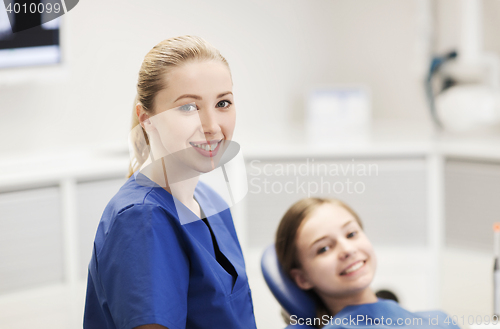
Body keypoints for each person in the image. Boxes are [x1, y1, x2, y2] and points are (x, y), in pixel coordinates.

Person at [84, 35, 257, 329]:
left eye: (223, 103)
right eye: (188, 107)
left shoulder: (210, 201)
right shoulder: (142, 221)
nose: (212, 126)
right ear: (146, 118)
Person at [275, 198, 459, 329]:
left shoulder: (438, 319)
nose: (347, 249)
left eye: (351, 234)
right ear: (302, 278)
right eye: (324, 248)